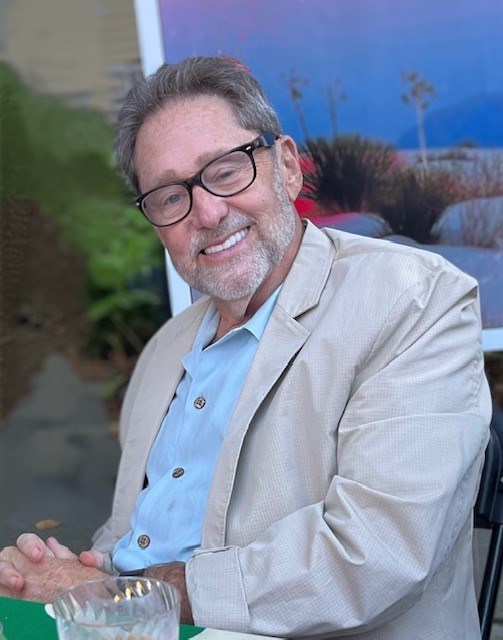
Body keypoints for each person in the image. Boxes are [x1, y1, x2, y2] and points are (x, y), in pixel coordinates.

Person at [0, 56, 492, 639]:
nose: (208, 213)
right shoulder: (165, 350)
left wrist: (129, 594)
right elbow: (138, 540)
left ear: (286, 166)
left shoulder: (416, 301)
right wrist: (72, 574)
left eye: (227, 170)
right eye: (169, 197)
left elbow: (376, 555)